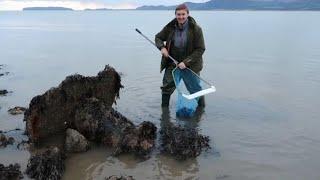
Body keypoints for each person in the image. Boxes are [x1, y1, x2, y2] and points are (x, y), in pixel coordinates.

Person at [155, 4, 206, 107]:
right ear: (175, 15)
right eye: (178, 14)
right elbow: (158, 37)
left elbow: (200, 49)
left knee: (195, 89)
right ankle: (164, 113)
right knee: (166, 87)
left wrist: (186, 62)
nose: (181, 17)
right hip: (172, 63)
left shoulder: (196, 29)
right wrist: (162, 47)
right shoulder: (170, 27)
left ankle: (201, 111)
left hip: (191, 64)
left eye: (183, 14)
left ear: (188, 14)